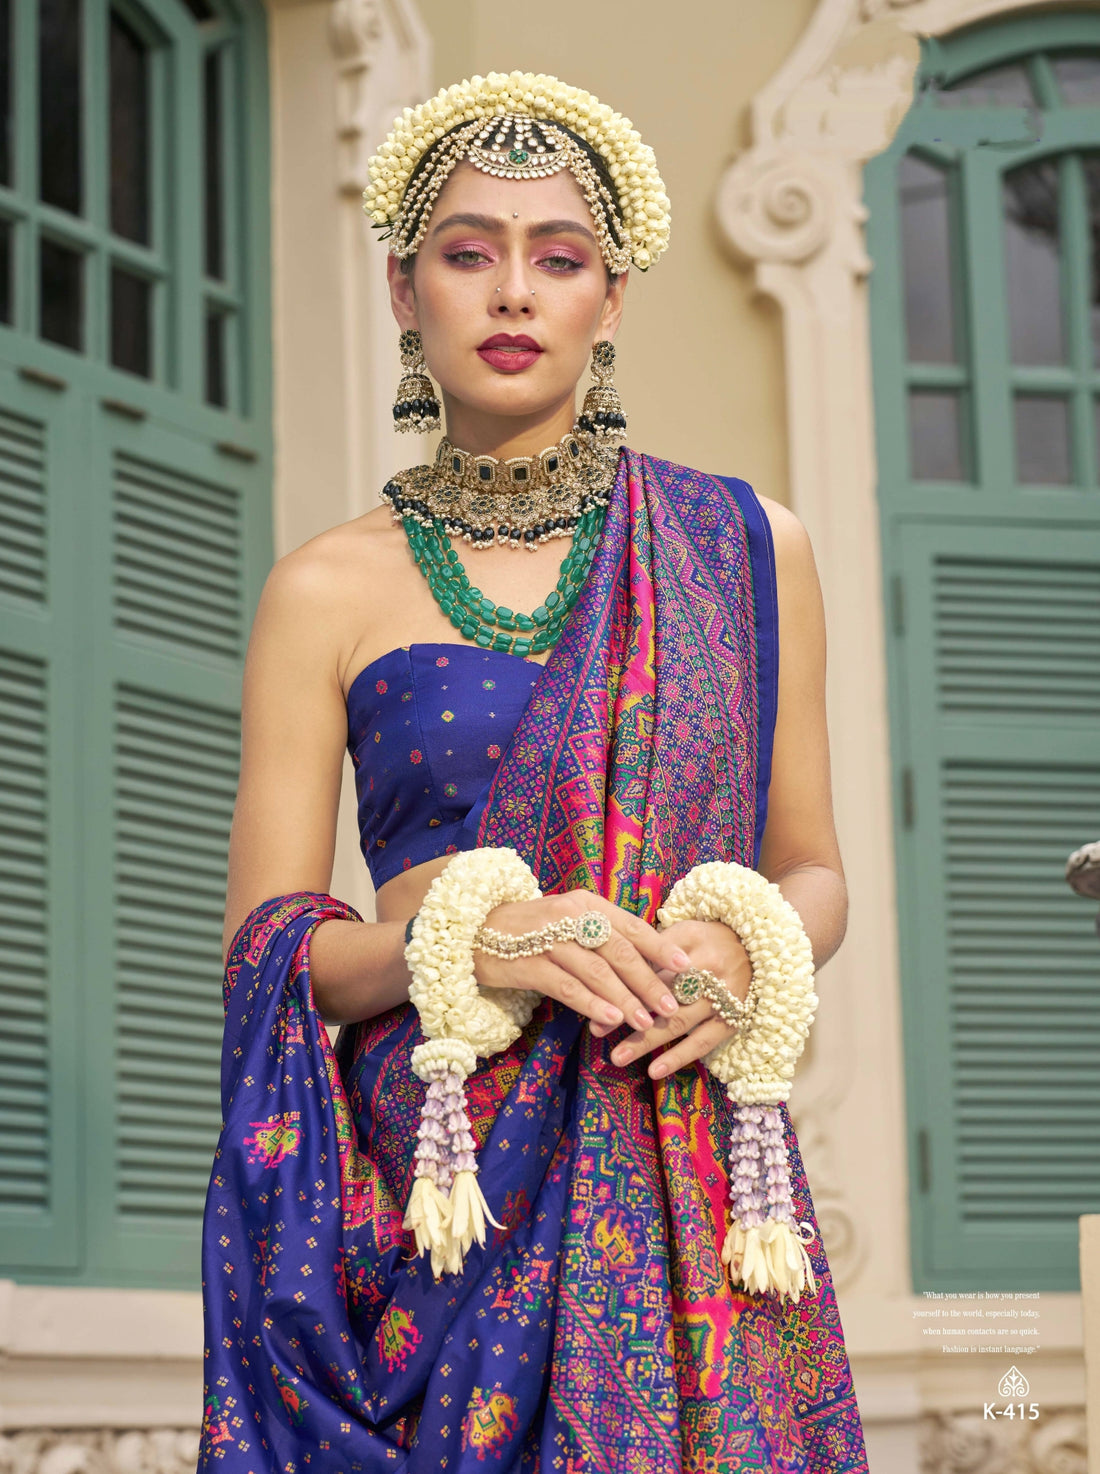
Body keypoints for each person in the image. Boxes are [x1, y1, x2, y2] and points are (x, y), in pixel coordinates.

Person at [199, 71, 870, 1473]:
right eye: (467, 253)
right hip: (438, 1185)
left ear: (608, 300)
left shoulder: (744, 546)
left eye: (558, 259)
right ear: (402, 287)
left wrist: (742, 944)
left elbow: (814, 869)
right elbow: (269, 945)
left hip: (678, 1148)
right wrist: (474, 938)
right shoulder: (325, 586)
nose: (513, 293)